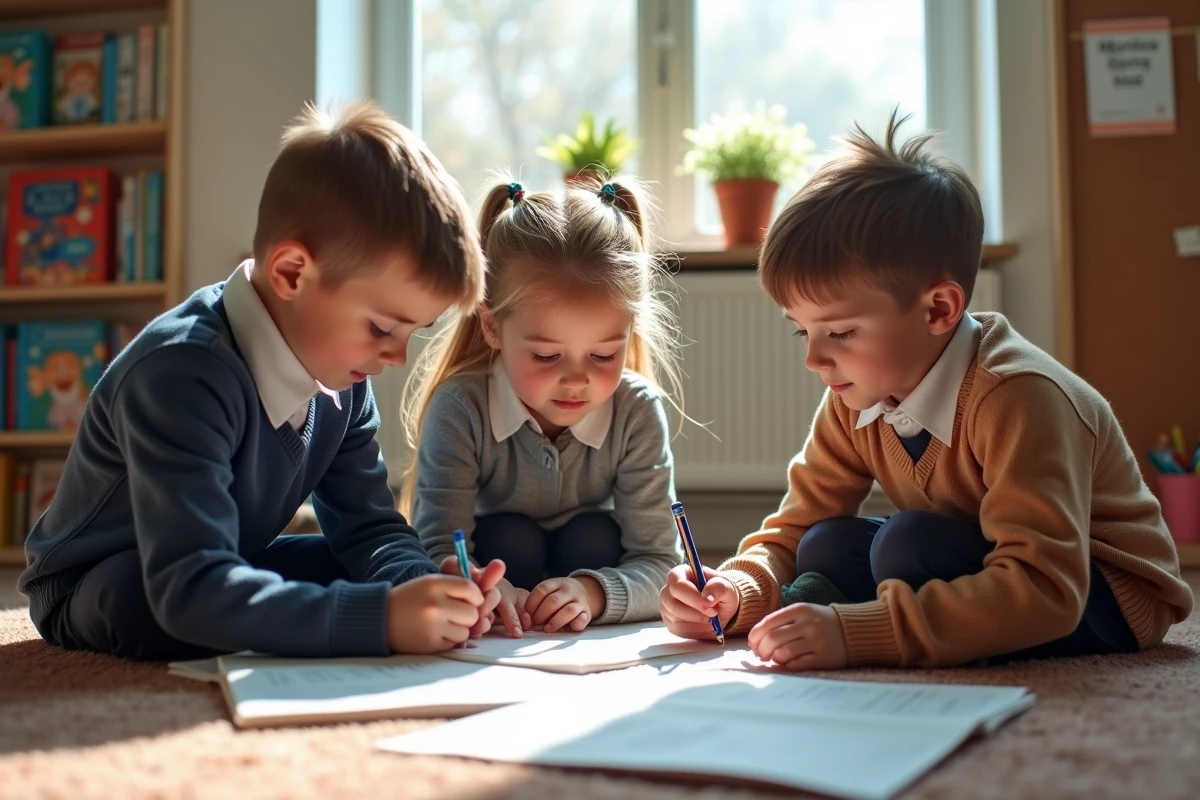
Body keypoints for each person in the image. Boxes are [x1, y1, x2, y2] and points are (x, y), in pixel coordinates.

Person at [660, 113, 1194, 669]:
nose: (814, 359)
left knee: (905, 544)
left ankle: (851, 615)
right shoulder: (855, 396)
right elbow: (795, 528)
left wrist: (862, 633)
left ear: (939, 309)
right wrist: (737, 590)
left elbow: (1046, 586)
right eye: (804, 331)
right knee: (823, 543)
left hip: (1096, 590)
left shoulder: (1018, 395)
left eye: (839, 332)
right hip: (986, 554)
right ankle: (818, 609)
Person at [19, 101, 503, 660]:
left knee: (344, 564)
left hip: (224, 559)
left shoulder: (344, 378)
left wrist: (421, 586)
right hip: (100, 582)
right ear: (292, 272)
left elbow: (369, 530)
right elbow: (187, 583)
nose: (395, 356)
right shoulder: (181, 373)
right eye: (382, 328)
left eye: (412, 333)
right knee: (155, 601)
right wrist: (381, 622)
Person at [401, 177, 684, 638]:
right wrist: (487, 589)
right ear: (492, 327)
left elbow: (662, 565)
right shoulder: (460, 407)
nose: (576, 379)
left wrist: (594, 594)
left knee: (591, 537)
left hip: (586, 562)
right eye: (547, 356)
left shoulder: (636, 410)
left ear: (629, 330)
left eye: (604, 355)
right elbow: (434, 548)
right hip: (501, 557)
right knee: (512, 540)